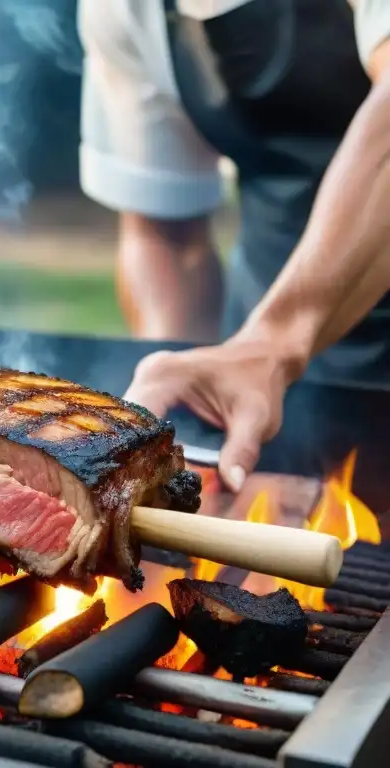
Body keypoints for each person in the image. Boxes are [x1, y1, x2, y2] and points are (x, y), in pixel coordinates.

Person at [77, 0, 390, 491]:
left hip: (275, 341)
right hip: (275, 375)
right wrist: (172, 428)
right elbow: (168, 237)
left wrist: (275, 341)